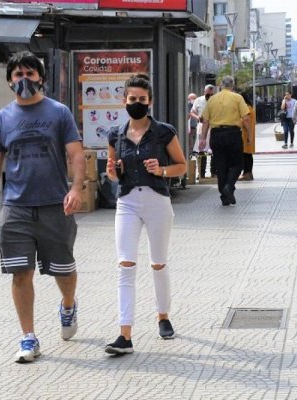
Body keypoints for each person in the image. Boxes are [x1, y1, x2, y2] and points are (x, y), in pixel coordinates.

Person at [0, 51, 85, 364]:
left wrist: (76, 188)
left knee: (63, 271)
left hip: (55, 205)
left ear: (41, 77)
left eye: (30, 74)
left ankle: (67, 304)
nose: (24, 80)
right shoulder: (2, 118)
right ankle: (28, 336)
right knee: (20, 273)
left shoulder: (59, 113)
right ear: (10, 81)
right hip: (16, 208)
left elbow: (76, 155)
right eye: (18, 75)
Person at [104, 73, 186, 355]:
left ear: (149, 101)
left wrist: (161, 170)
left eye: (141, 99)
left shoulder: (164, 132)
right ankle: (124, 334)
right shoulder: (115, 133)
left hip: (157, 201)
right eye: (132, 99)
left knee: (158, 263)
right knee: (125, 264)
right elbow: (111, 172)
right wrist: (113, 172)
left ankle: (163, 316)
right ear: (123, 100)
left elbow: (182, 166)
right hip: (126, 201)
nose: (136, 103)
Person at [200, 76, 251, 206]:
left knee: (221, 166)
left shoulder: (212, 99)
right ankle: (229, 186)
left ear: (221, 85)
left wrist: (203, 139)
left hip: (216, 135)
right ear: (232, 86)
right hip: (233, 134)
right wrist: (249, 134)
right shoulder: (237, 98)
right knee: (237, 164)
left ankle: (224, 196)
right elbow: (245, 118)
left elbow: (205, 120)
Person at [190, 84, 215, 178]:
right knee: (201, 151)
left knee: (213, 151)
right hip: (201, 128)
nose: (210, 97)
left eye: (211, 94)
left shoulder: (216, 101)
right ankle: (201, 173)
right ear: (204, 92)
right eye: (208, 94)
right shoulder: (199, 100)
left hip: (213, 128)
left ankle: (214, 172)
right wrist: (197, 117)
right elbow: (192, 112)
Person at [238, 92, 255, 181]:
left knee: (245, 155)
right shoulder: (250, 107)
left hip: (245, 135)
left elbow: (245, 121)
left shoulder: (246, 108)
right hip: (248, 134)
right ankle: (248, 173)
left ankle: (247, 173)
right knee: (247, 154)